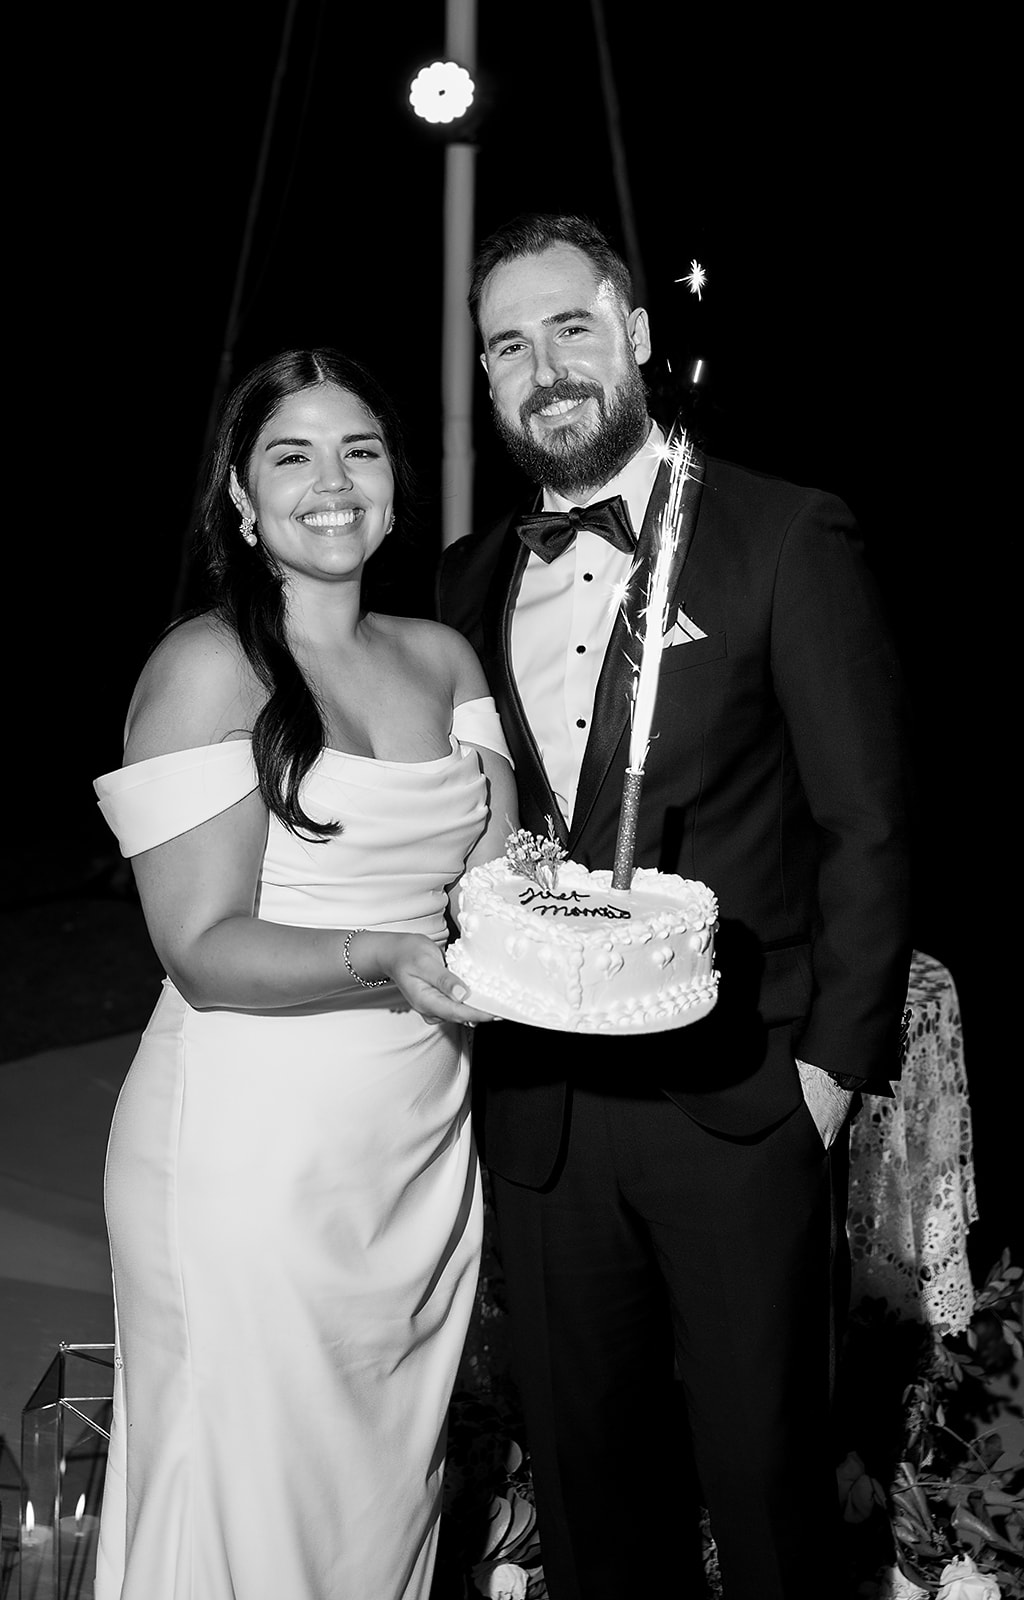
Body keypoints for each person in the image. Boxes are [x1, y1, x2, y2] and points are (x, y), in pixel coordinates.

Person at [436, 214, 914, 1600]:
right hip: (543, 1122)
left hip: (740, 1102)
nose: (547, 369)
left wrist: (824, 1076)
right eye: (508, 346)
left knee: (771, 1503)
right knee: (593, 1507)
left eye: (573, 327)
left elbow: (867, 826)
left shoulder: (783, 532)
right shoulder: (466, 581)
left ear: (637, 334)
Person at [91, 347, 516, 1600]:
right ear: (239, 495)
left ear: (393, 486)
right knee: (248, 1507)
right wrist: (384, 955)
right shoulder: (204, 669)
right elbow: (201, 948)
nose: (330, 484)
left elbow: (496, 886)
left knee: (379, 1507)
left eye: (361, 451)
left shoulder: (444, 658)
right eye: (291, 455)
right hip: (249, 1150)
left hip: (419, 1146)